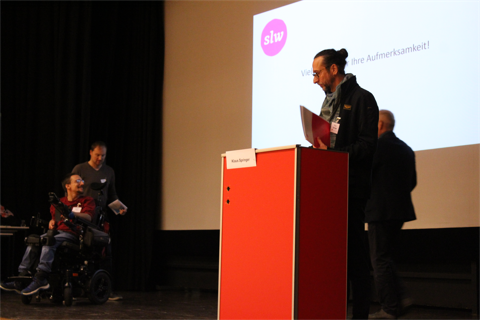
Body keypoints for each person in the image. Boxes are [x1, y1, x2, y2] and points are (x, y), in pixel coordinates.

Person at [312, 48, 379, 319]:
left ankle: (360, 315)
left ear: (334, 70)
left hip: (351, 191)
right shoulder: (330, 104)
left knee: (356, 259)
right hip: (328, 190)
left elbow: (367, 147)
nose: (314, 80)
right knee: (332, 260)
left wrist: (333, 155)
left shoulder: (362, 99)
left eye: (317, 73)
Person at [0, 173, 95, 296]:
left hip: (73, 234)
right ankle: (22, 277)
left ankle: (41, 277)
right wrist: (52, 222)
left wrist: (71, 214)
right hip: (57, 233)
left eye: (82, 180)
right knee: (33, 240)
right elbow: (55, 220)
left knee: (49, 240)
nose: (82, 183)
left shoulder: (87, 201)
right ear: (68, 186)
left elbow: (88, 217)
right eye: (78, 181)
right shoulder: (59, 202)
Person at [366, 110, 417, 319]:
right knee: (385, 258)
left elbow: (365, 174)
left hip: (380, 212)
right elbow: (412, 182)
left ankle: (389, 308)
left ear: (379, 125)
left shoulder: (377, 147)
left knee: (379, 260)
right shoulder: (406, 149)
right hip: (400, 212)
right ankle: (402, 298)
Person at [72, 141, 125, 301]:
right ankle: (75, 289)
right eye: (97, 155)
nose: (100, 158)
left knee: (105, 253)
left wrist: (118, 208)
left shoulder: (109, 171)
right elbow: (72, 191)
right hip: (83, 217)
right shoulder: (80, 169)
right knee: (79, 251)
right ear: (90, 153)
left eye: (103, 155)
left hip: (101, 218)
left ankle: (106, 290)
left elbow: (112, 194)